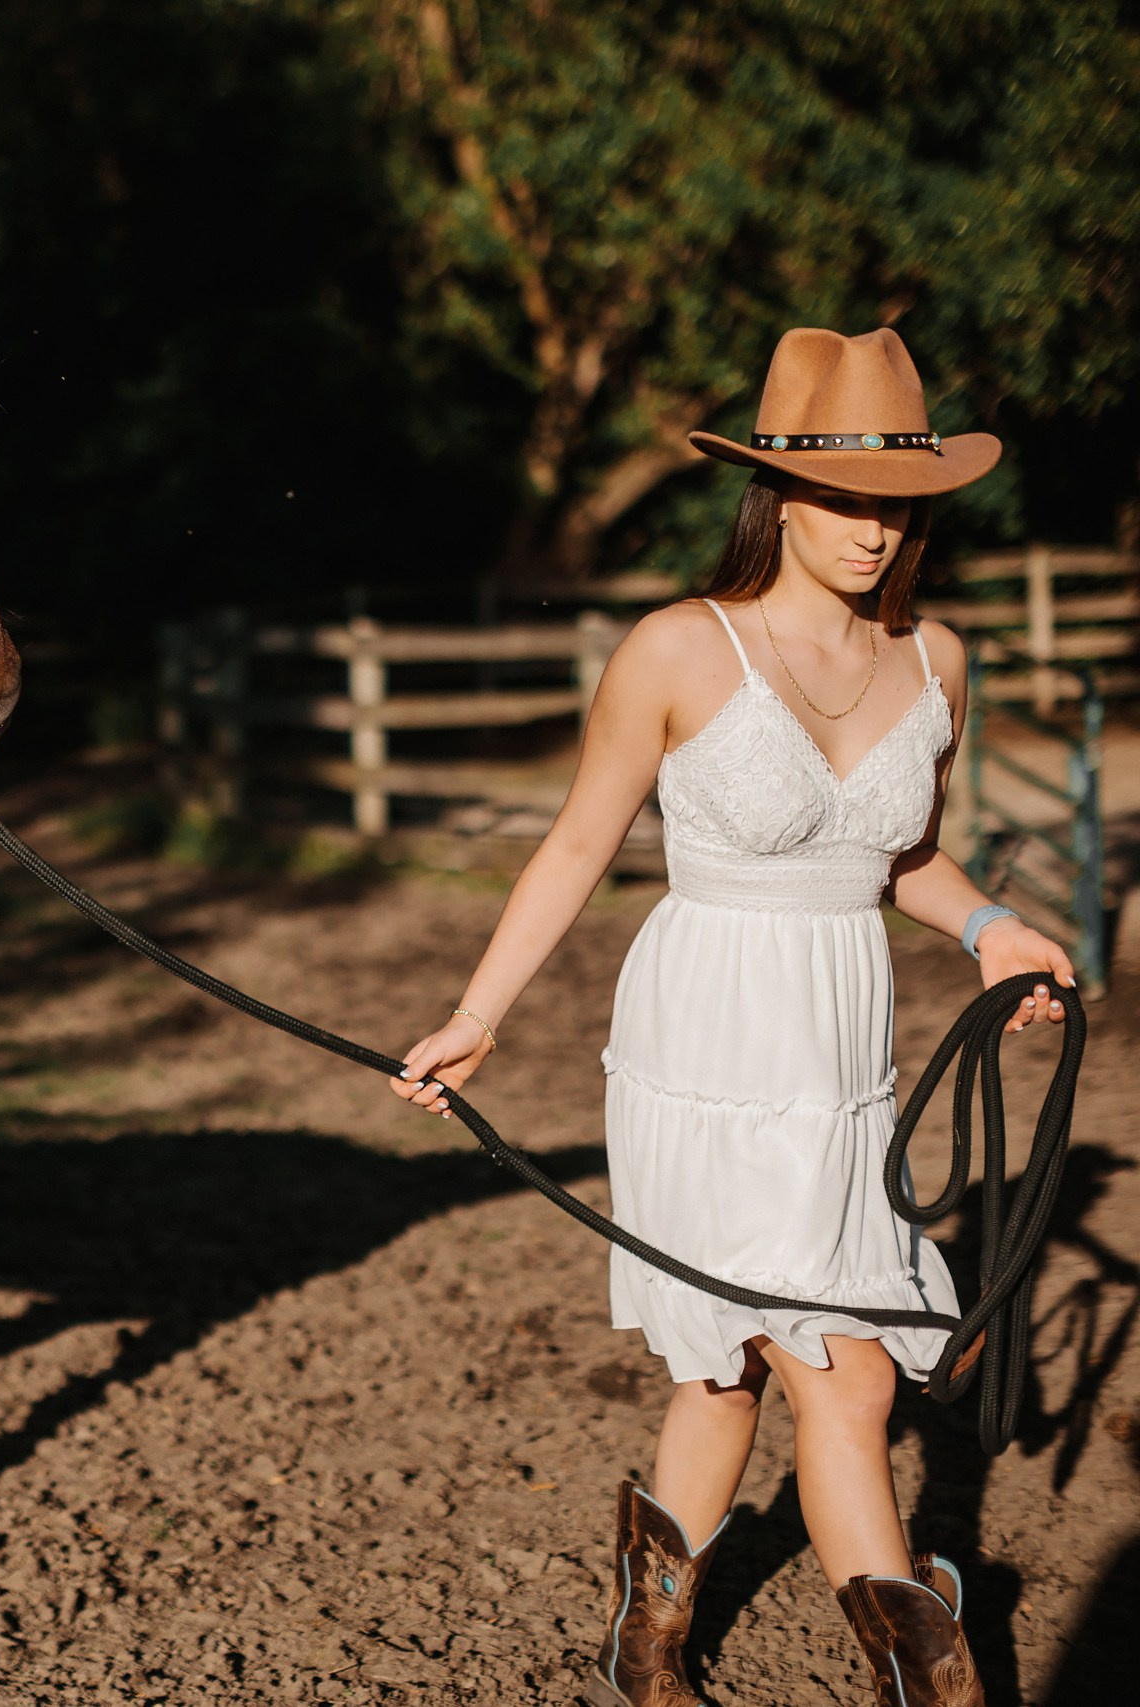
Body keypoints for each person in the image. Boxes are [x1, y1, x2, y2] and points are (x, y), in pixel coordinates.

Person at [387, 327, 1073, 1707]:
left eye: (899, 503)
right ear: (778, 492)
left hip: (842, 1054)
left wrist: (992, 928)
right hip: (705, 1041)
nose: (875, 530)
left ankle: (645, 1640)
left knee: (726, 1370)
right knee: (847, 1377)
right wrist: (477, 1014)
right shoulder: (677, 648)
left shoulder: (934, 657)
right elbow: (578, 845)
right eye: (845, 498)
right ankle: (927, 1678)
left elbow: (900, 857)